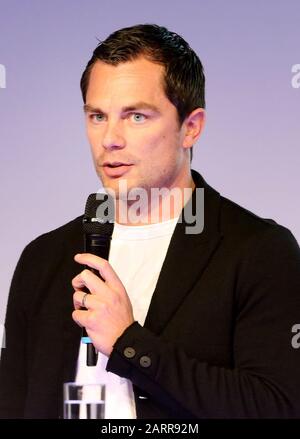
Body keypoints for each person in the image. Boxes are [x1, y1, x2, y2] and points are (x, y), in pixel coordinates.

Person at [1, 23, 300, 419]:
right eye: (97, 116)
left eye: (136, 116)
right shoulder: (43, 258)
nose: (110, 138)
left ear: (190, 127)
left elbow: (277, 407)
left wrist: (129, 343)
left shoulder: (260, 251)